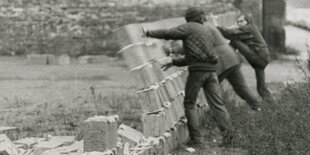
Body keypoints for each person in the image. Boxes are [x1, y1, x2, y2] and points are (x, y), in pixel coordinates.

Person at [144, 7, 233, 147]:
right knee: (217, 104)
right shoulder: (206, 31)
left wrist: (148, 33)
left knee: (189, 104)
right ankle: (230, 139)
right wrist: (173, 62)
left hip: (198, 72)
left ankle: (196, 140)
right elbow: (194, 56)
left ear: (188, 18)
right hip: (211, 71)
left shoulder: (189, 28)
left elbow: (169, 33)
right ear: (201, 17)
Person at [217, 14, 272, 100]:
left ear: (248, 21)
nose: (239, 23)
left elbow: (229, 33)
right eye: (238, 21)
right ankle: (273, 105)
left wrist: (217, 27)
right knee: (261, 89)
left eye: (242, 21)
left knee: (234, 40)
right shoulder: (246, 31)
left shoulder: (249, 27)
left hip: (258, 57)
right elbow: (231, 33)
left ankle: (228, 61)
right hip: (261, 60)